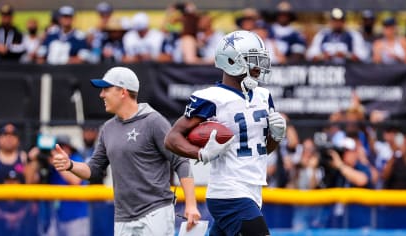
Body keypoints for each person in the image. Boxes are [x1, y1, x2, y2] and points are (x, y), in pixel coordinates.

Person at [51, 66, 201, 235]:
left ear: (123, 92)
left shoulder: (154, 121)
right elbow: (93, 169)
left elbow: (180, 161)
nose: (101, 95)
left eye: (106, 89)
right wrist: (70, 164)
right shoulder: (107, 128)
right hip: (122, 218)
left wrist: (191, 204)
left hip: (155, 214)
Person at [164, 30, 287, 236]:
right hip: (229, 192)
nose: (258, 67)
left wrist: (276, 136)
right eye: (252, 60)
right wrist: (201, 154)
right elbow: (172, 138)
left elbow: (264, 150)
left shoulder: (264, 96)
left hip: (253, 189)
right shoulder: (212, 98)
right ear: (231, 61)